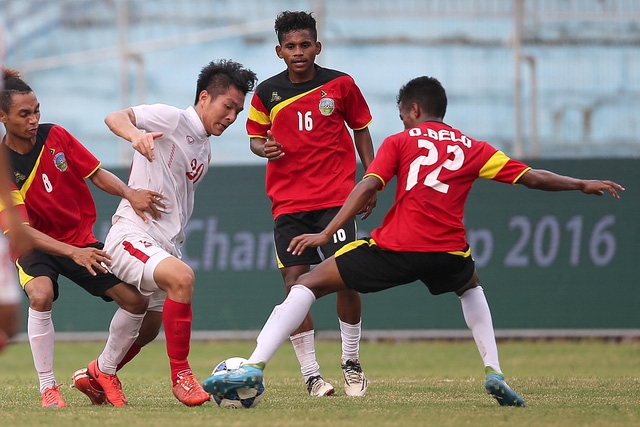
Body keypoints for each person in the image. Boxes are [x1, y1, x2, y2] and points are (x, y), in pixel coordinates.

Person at [203, 76, 624, 407]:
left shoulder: (402, 141)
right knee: (470, 284)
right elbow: (531, 177)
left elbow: (368, 185)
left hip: (397, 247)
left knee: (306, 285)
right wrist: (580, 183)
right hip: (448, 251)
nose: (402, 120)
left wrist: (328, 232)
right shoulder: (473, 147)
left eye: (403, 114)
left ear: (414, 110)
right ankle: (493, 371)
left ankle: (255, 365)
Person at [71, 59, 258, 407]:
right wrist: (136, 135)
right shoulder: (173, 118)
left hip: (165, 242)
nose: (232, 117)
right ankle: (182, 376)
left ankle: (100, 372)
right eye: (227, 106)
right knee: (183, 279)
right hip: (132, 234)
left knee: (150, 326)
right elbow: (115, 117)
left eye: (238, 110)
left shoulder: (204, 146)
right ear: (205, 97)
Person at [0, 68, 165, 408]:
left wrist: (130, 193)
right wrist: (73, 253)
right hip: (35, 245)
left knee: (135, 302)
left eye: (37, 111)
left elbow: (95, 173)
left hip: (80, 240)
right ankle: (48, 388)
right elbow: (22, 230)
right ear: (2, 117)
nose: (34, 120)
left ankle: (103, 371)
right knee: (41, 295)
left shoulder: (56, 136)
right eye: (24, 114)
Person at [243, 10, 376, 397]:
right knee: (294, 285)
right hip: (287, 204)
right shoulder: (267, 92)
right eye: (290, 46)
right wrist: (261, 147)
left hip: (337, 200)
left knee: (347, 279)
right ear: (279, 51)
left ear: (317, 47)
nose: (298, 52)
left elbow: (361, 130)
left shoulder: (341, 85)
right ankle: (312, 375)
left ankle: (351, 362)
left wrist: (372, 178)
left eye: (305, 45)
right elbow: (254, 136)